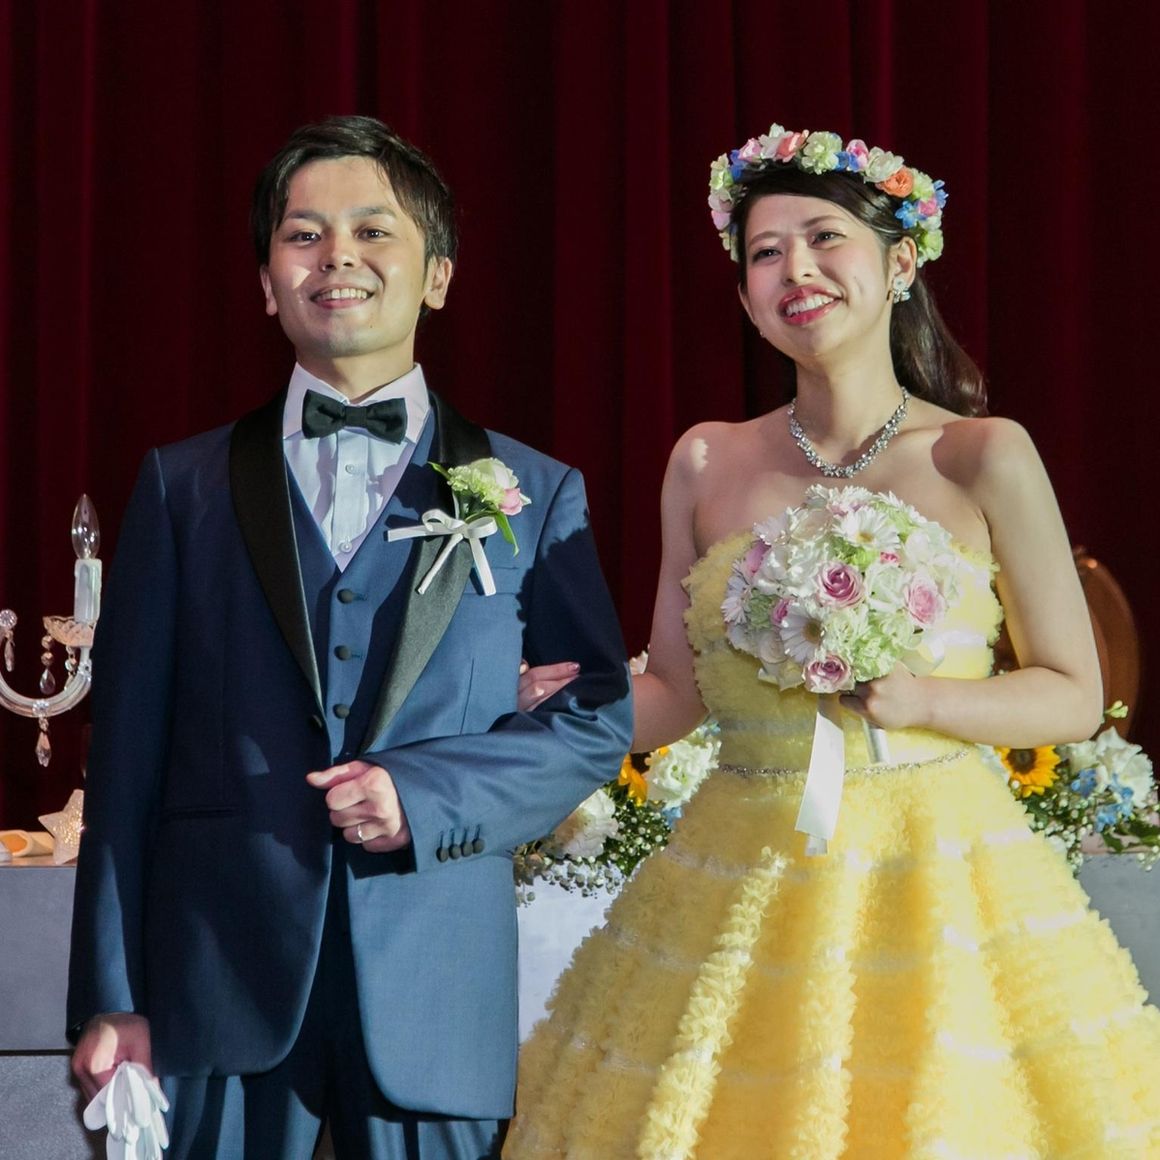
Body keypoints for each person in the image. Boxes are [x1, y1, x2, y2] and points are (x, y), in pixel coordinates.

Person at [506, 123, 1160, 1157]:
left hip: (935, 866)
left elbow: (1073, 693)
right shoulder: (705, 460)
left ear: (899, 265)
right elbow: (673, 692)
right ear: (744, 298)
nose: (795, 271)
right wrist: (541, 704)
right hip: (746, 856)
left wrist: (925, 700)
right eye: (765, 253)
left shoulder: (980, 454)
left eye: (823, 239)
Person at [66, 114, 633, 1159]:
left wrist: (425, 794)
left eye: (374, 231)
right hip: (216, 985)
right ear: (265, 282)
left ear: (438, 276)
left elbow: (595, 718)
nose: (338, 256)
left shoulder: (535, 489)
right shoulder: (182, 487)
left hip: (435, 987)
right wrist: (111, 993)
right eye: (304, 235)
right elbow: (127, 758)